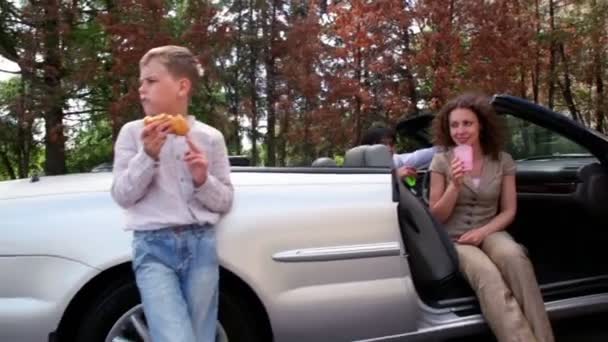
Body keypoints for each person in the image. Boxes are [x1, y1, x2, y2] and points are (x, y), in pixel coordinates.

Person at [111, 45, 233, 342]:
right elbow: (122, 195)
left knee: (201, 335)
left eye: (150, 81)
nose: (141, 89)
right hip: (153, 250)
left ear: (182, 86)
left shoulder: (210, 138)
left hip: (200, 245)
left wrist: (203, 179)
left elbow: (225, 200)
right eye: (141, 82)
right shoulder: (132, 134)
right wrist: (147, 156)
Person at [428, 93, 553, 342]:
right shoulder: (441, 161)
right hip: (456, 238)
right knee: (488, 276)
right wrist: (455, 186)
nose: (460, 130)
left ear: (481, 125)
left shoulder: (502, 160)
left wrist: (483, 232)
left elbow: (508, 210)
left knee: (515, 257)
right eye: (454, 125)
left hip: (490, 229)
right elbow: (436, 217)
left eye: (467, 123)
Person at [360, 125, 437, 179]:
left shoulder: (395, 160)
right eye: (382, 144)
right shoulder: (358, 168)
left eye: (391, 144)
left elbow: (422, 155)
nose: (389, 149)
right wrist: (395, 178)